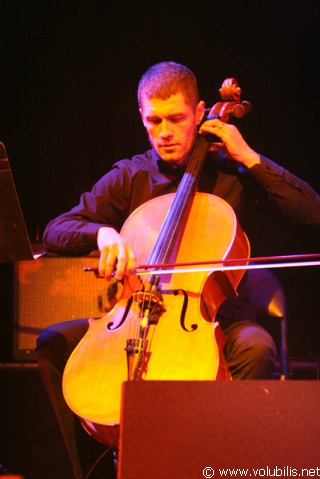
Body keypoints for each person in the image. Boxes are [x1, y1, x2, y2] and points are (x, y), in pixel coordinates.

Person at [36, 61, 320, 479]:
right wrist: (101, 235)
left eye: (176, 119)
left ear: (200, 111)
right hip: (132, 319)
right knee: (53, 342)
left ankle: (225, 467)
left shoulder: (233, 174)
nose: (165, 132)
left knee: (258, 347)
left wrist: (247, 155)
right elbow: (55, 229)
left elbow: (312, 214)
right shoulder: (130, 174)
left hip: (215, 321)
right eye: (154, 121)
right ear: (142, 118)